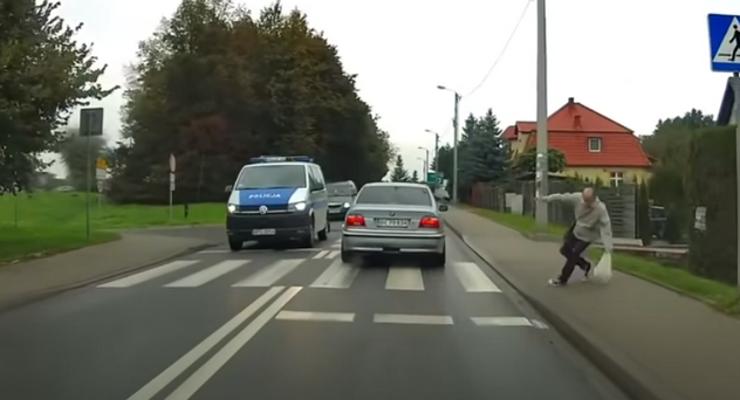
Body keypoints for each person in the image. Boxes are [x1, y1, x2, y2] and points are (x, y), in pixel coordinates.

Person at [539, 187, 613, 287]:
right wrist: (546, 199)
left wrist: (608, 246)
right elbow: (562, 197)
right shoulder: (577, 198)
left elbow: (606, 227)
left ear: (594, 198)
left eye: (588, 201)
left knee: (573, 255)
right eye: (584, 200)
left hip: (588, 236)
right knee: (564, 250)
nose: (586, 203)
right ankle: (585, 265)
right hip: (576, 229)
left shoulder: (601, 209)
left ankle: (562, 279)